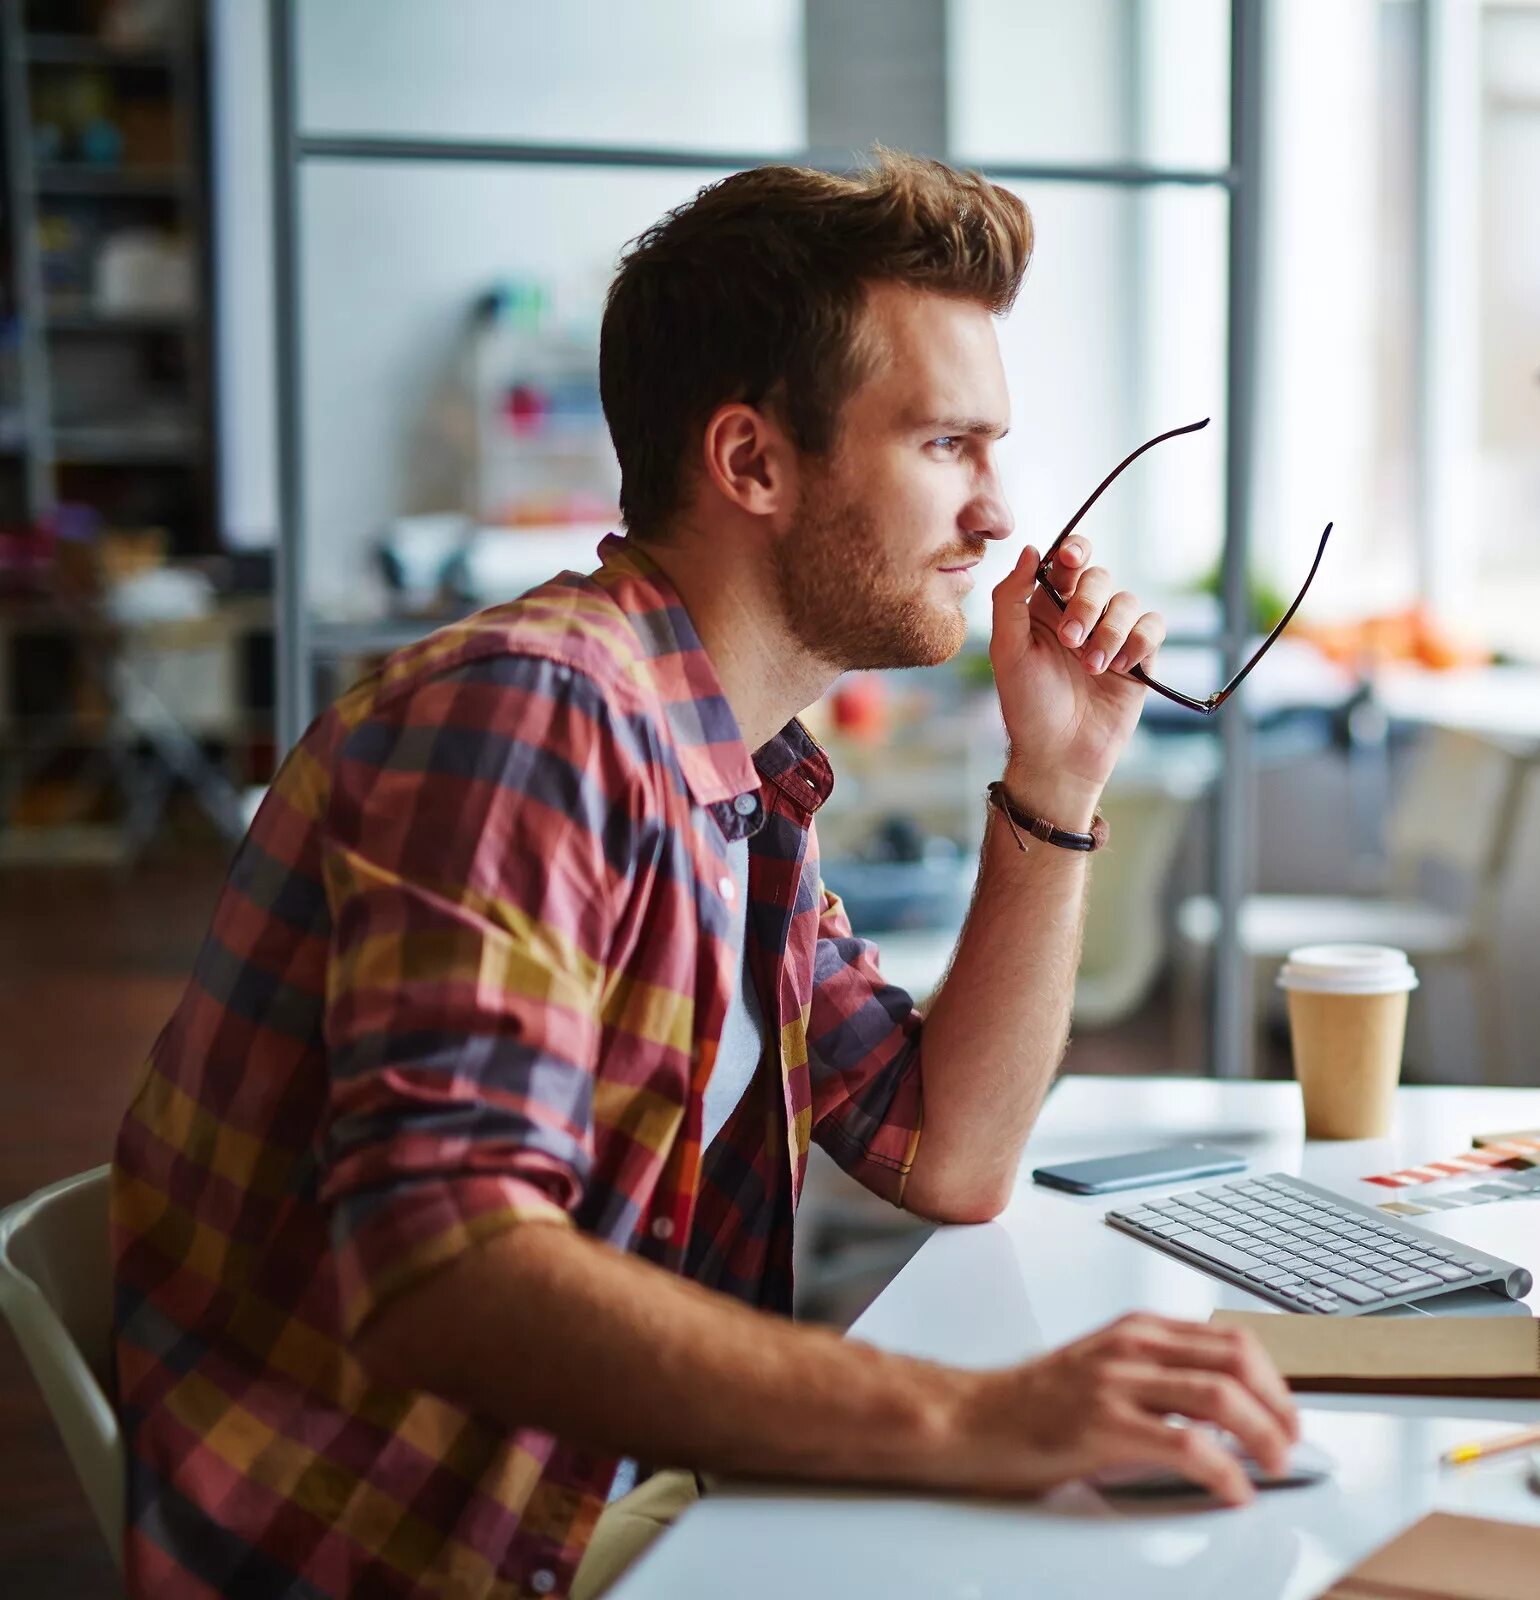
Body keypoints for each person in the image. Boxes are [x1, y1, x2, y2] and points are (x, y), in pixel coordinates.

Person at [109, 152, 1297, 1600]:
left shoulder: (738, 775)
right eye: (946, 446)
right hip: (435, 1554)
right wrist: (975, 1416)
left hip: (611, 1500)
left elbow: (951, 1154)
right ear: (750, 463)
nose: (1002, 518)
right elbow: (447, 1266)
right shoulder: (533, 716)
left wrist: (1056, 779)